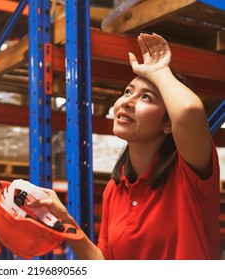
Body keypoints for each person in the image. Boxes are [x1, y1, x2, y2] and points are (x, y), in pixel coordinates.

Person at [27, 33, 220, 260]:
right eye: (128, 92)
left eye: (146, 97)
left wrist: (159, 72)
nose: (127, 101)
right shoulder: (115, 189)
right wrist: (65, 222)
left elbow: (189, 111)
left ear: (168, 123)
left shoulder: (189, 174)